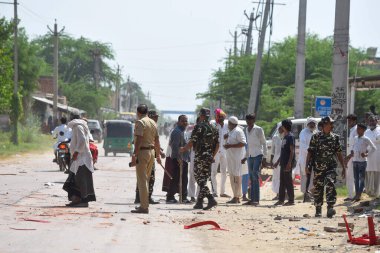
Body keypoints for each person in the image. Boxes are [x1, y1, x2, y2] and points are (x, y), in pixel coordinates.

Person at [306, 116, 346, 218]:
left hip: (330, 167)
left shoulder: (335, 138)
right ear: (324, 125)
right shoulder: (316, 137)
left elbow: (339, 153)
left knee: (330, 184)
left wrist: (343, 167)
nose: (332, 126)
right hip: (318, 167)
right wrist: (307, 165)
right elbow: (310, 152)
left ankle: (330, 208)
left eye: (332, 124)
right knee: (318, 187)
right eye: (330, 124)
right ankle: (318, 209)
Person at [180, 108, 219, 210]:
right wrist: (212, 156)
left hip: (200, 156)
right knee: (203, 179)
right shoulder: (214, 127)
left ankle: (211, 199)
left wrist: (184, 149)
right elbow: (217, 144)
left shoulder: (199, 126)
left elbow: (192, 140)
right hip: (209, 157)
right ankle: (199, 202)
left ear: (201, 115)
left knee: (199, 179)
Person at [130, 104, 161, 214]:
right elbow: (157, 140)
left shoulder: (140, 122)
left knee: (142, 180)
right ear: (147, 112)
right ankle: (144, 203)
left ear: (138, 112)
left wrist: (134, 154)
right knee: (146, 180)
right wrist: (158, 155)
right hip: (151, 152)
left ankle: (144, 207)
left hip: (142, 152)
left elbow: (138, 139)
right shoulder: (153, 122)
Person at [63, 113, 96, 207]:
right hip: (79, 158)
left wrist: (76, 152)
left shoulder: (78, 126)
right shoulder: (79, 126)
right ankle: (77, 199)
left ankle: (84, 201)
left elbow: (81, 140)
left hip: (82, 158)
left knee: (82, 180)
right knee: (75, 179)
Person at [242, 113, 267, 206]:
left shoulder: (259, 129)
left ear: (254, 120)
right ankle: (252, 199)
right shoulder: (246, 129)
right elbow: (248, 145)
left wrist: (264, 157)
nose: (248, 122)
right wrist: (245, 156)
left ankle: (256, 200)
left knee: (255, 176)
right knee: (251, 177)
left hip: (258, 155)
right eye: (247, 120)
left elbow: (264, 143)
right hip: (250, 156)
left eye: (250, 120)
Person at [347, 123, 376, 201]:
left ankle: (359, 194)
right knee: (355, 179)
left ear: (363, 130)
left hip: (362, 162)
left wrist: (367, 154)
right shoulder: (356, 138)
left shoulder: (366, 139)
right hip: (355, 160)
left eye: (359, 129)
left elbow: (373, 148)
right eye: (357, 129)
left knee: (362, 179)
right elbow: (353, 146)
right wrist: (352, 152)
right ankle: (357, 194)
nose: (357, 130)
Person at [166, 115, 191, 203]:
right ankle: (170, 197)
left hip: (184, 158)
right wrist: (178, 158)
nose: (185, 122)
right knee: (176, 178)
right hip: (178, 159)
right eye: (183, 121)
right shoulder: (177, 132)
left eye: (186, 121)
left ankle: (183, 197)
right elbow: (175, 146)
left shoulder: (184, 131)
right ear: (178, 122)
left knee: (184, 178)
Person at [224, 116, 246, 204]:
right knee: (232, 177)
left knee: (237, 177)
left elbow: (243, 143)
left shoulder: (238, 131)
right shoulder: (230, 131)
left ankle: (237, 197)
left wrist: (230, 146)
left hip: (237, 158)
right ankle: (235, 196)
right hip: (230, 157)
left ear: (231, 124)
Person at [273, 120, 295, 206]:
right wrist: (277, 161)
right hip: (282, 162)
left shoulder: (290, 137)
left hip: (287, 163)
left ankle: (291, 200)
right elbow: (283, 152)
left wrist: (289, 163)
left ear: (284, 126)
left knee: (288, 182)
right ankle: (281, 200)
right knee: (282, 181)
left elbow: (292, 151)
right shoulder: (284, 137)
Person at [296, 117, 317, 202]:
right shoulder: (303, 132)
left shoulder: (315, 133)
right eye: (310, 123)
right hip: (305, 159)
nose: (312, 125)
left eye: (313, 124)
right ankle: (306, 196)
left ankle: (310, 195)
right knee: (305, 178)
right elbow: (303, 146)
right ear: (307, 124)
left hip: (313, 159)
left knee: (312, 178)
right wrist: (312, 150)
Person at [211, 108, 229, 198]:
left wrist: (228, 137)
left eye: (221, 116)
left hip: (225, 151)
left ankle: (222, 192)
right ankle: (214, 191)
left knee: (224, 172)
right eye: (218, 116)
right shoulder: (213, 125)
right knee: (213, 172)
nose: (219, 118)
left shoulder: (227, 125)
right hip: (215, 152)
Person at [364, 115, 380, 197]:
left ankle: (377, 193)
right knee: (369, 173)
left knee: (377, 174)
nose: (372, 122)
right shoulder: (366, 131)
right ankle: (370, 192)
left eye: (373, 121)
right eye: (370, 121)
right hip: (369, 156)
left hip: (377, 155)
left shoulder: (379, 130)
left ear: (376, 121)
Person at [344, 114, 357, 201]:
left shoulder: (356, 130)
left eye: (350, 121)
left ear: (354, 121)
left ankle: (352, 195)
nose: (348, 122)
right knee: (349, 176)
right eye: (348, 121)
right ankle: (351, 195)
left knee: (351, 176)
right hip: (351, 155)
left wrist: (349, 156)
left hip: (354, 156)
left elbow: (356, 145)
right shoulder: (352, 130)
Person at [270, 126, 284, 200]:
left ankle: (283, 194)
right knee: (276, 177)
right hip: (276, 160)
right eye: (279, 128)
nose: (280, 130)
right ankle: (278, 194)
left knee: (283, 177)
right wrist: (272, 161)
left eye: (282, 128)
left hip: (284, 159)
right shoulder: (275, 137)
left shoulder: (286, 137)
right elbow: (272, 150)